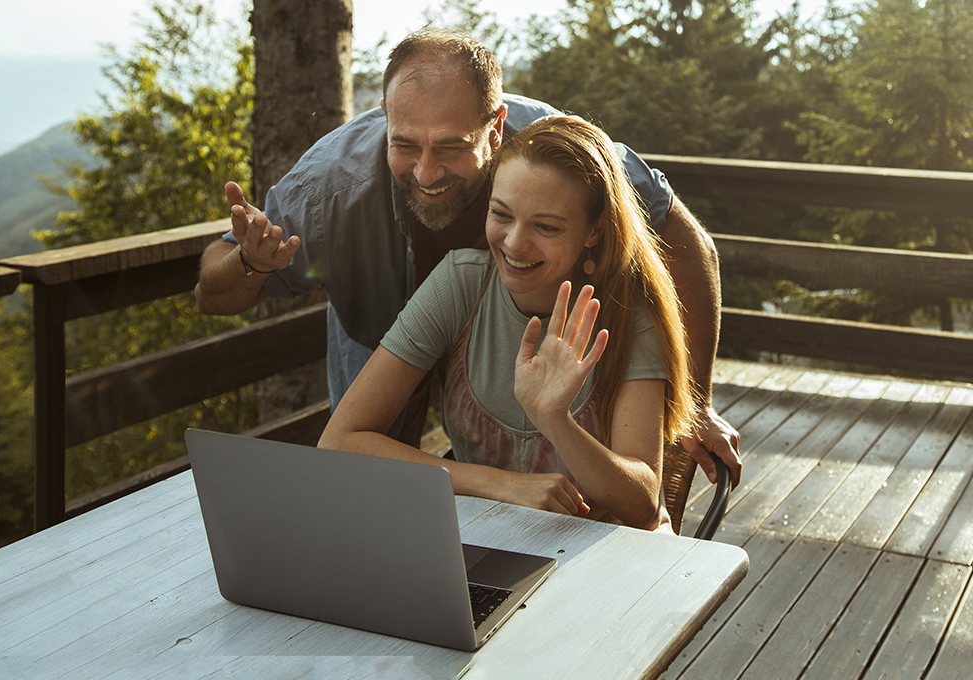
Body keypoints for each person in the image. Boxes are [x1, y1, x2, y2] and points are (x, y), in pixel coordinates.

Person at [194, 29, 741, 486]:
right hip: (377, 337)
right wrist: (252, 264)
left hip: (520, 341)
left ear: (497, 127)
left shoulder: (556, 153)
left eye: (452, 147)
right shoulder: (325, 189)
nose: (427, 172)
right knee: (366, 490)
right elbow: (210, 294)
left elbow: (690, 248)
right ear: (385, 116)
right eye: (405, 144)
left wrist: (693, 406)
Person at [320, 116, 693, 530]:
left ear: (594, 231)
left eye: (546, 226)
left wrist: (555, 419)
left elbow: (642, 506)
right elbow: (340, 441)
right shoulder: (460, 281)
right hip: (483, 538)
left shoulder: (628, 313)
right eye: (502, 214)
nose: (515, 243)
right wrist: (501, 485)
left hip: (604, 555)